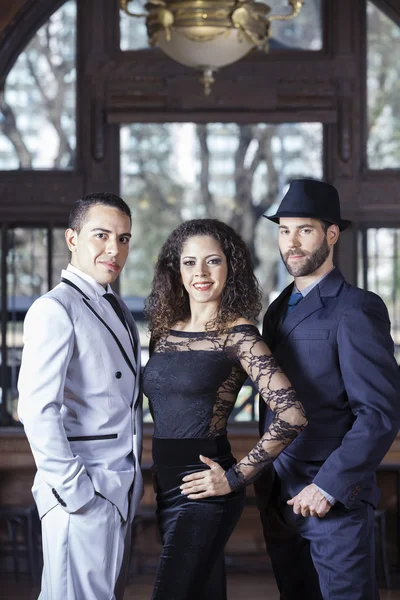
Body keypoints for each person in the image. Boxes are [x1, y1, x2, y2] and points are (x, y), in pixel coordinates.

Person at [143, 218, 307, 600]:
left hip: (207, 487)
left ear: (230, 268)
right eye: (189, 262)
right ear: (176, 269)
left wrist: (234, 478)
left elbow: (292, 414)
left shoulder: (239, 334)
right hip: (165, 486)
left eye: (212, 261)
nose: (200, 272)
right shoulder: (164, 332)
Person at [256, 178, 400, 600]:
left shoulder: (357, 308)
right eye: (284, 231)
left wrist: (329, 486)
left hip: (332, 502)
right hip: (280, 497)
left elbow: (379, 414)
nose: (292, 243)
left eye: (304, 230)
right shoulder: (278, 307)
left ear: (331, 234)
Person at [17, 193, 143, 600]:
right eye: (101, 235)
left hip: (117, 489)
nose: (114, 249)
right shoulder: (54, 308)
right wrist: (77, 493)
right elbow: (37, 410)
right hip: (84, 492)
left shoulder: (116, 306)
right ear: (72, 238)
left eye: (123, 238)